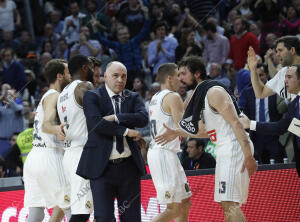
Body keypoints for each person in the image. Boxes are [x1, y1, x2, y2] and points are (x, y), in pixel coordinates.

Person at [156, 58, 257, 222]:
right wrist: (176, 132)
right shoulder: (201, 95)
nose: (180, 78)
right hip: (225, 148)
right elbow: (205, 131)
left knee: (230, 203)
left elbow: (236, 123)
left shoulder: (213, 92)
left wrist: (248, 156)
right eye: (179, 74)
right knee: (227, 204)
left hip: (234, 146)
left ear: (196, 74)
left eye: (184, 73)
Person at [76, 61, 149, 221]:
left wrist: (116, 117)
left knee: (132, 218)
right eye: (115, 76)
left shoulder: (133, 96)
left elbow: (143, 118)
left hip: (129, 167)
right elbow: (96, 124)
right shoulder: (92, 96)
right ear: (105, 76)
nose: (120, 80)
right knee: (103, 218)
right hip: (102, 168)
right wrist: (127, 131)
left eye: (124, 76)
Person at [23, 59, 72, 222]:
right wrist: (57, 129)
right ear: (60, 76)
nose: (70, 76)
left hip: (33, 159)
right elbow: (47, 125)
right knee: (73, 207)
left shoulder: (46, 96)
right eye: (68, 73)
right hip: (50, 157)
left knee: (36, 214)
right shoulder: (54, 96)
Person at [148, 63, 191, 222]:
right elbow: (184, 127)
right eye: (178, 75)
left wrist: (189, 100)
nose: (181, 79)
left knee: (185, 203)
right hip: (163, 154)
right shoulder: (173, 97)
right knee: (173, 209)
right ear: (169, 78)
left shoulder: (156, 97)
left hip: (164, 152)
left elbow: (175, 115)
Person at [240, 64, 300, 177]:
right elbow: (280, 127)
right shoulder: (294, 104)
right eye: (285, 77)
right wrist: (250, 124)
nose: (285, 81)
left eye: (289, 77)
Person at [57, 55, 94, 221]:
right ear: (84, 68)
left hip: (69, 155)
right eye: (91, 66)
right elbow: (99, 117)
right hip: (82, 154)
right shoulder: (84, 86)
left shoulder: (62, 94)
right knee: (81, 213)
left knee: (92, 209)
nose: (94, 70)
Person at [248, 35, 300, 100]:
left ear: (292, 50)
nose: (277, 54)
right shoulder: (284, 72)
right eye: (276, 51)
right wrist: (253, 69)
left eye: (280, 50)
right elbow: (260, 93)